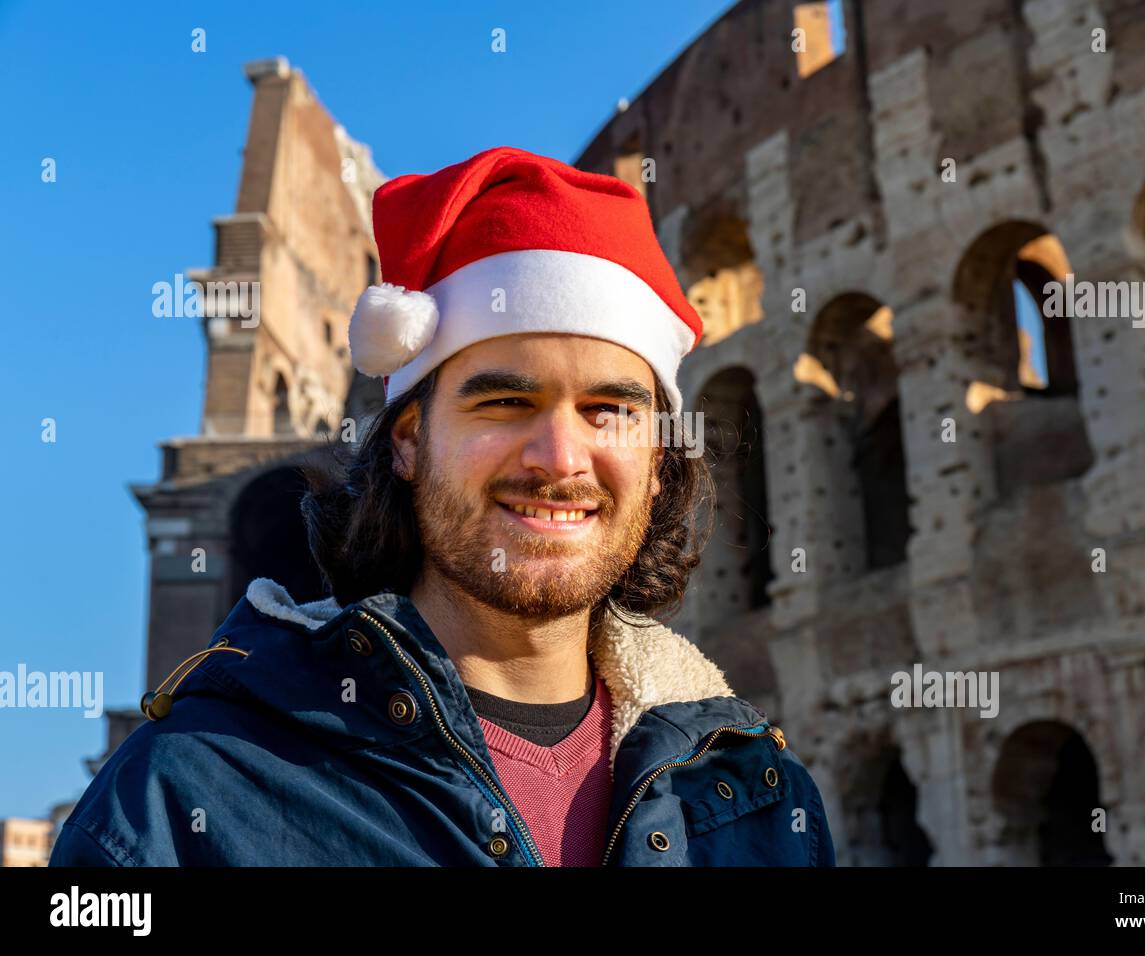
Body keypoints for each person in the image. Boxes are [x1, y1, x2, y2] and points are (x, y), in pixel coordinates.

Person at [50, 145, 836, 867]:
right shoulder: (186, 794)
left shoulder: (759, 799)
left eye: (609, 410)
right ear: (408, 440)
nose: (560, 459)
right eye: (504, 403)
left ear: (658, 463)